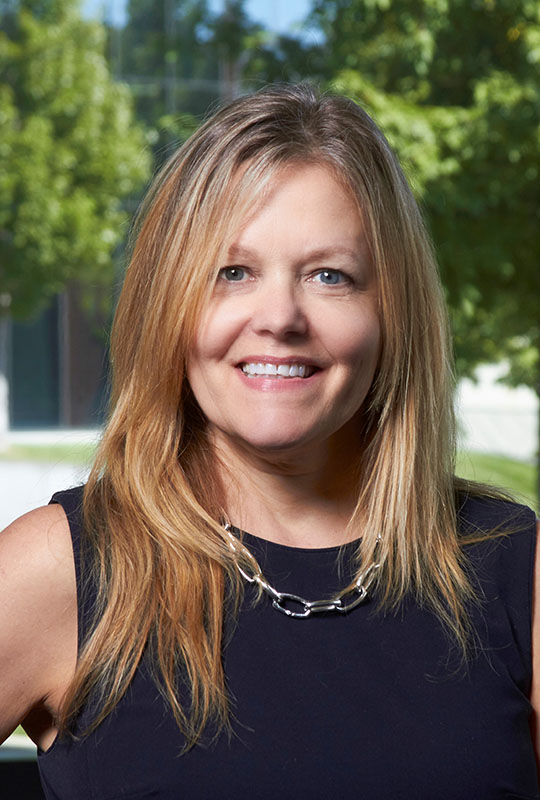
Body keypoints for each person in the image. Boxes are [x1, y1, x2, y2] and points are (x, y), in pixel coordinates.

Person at [1, 83, 539, 799]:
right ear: (170, 304)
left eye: (329, 275)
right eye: (233, 272)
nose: (280, 316)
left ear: (392, 312)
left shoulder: (514, 565)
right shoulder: (57, 571)